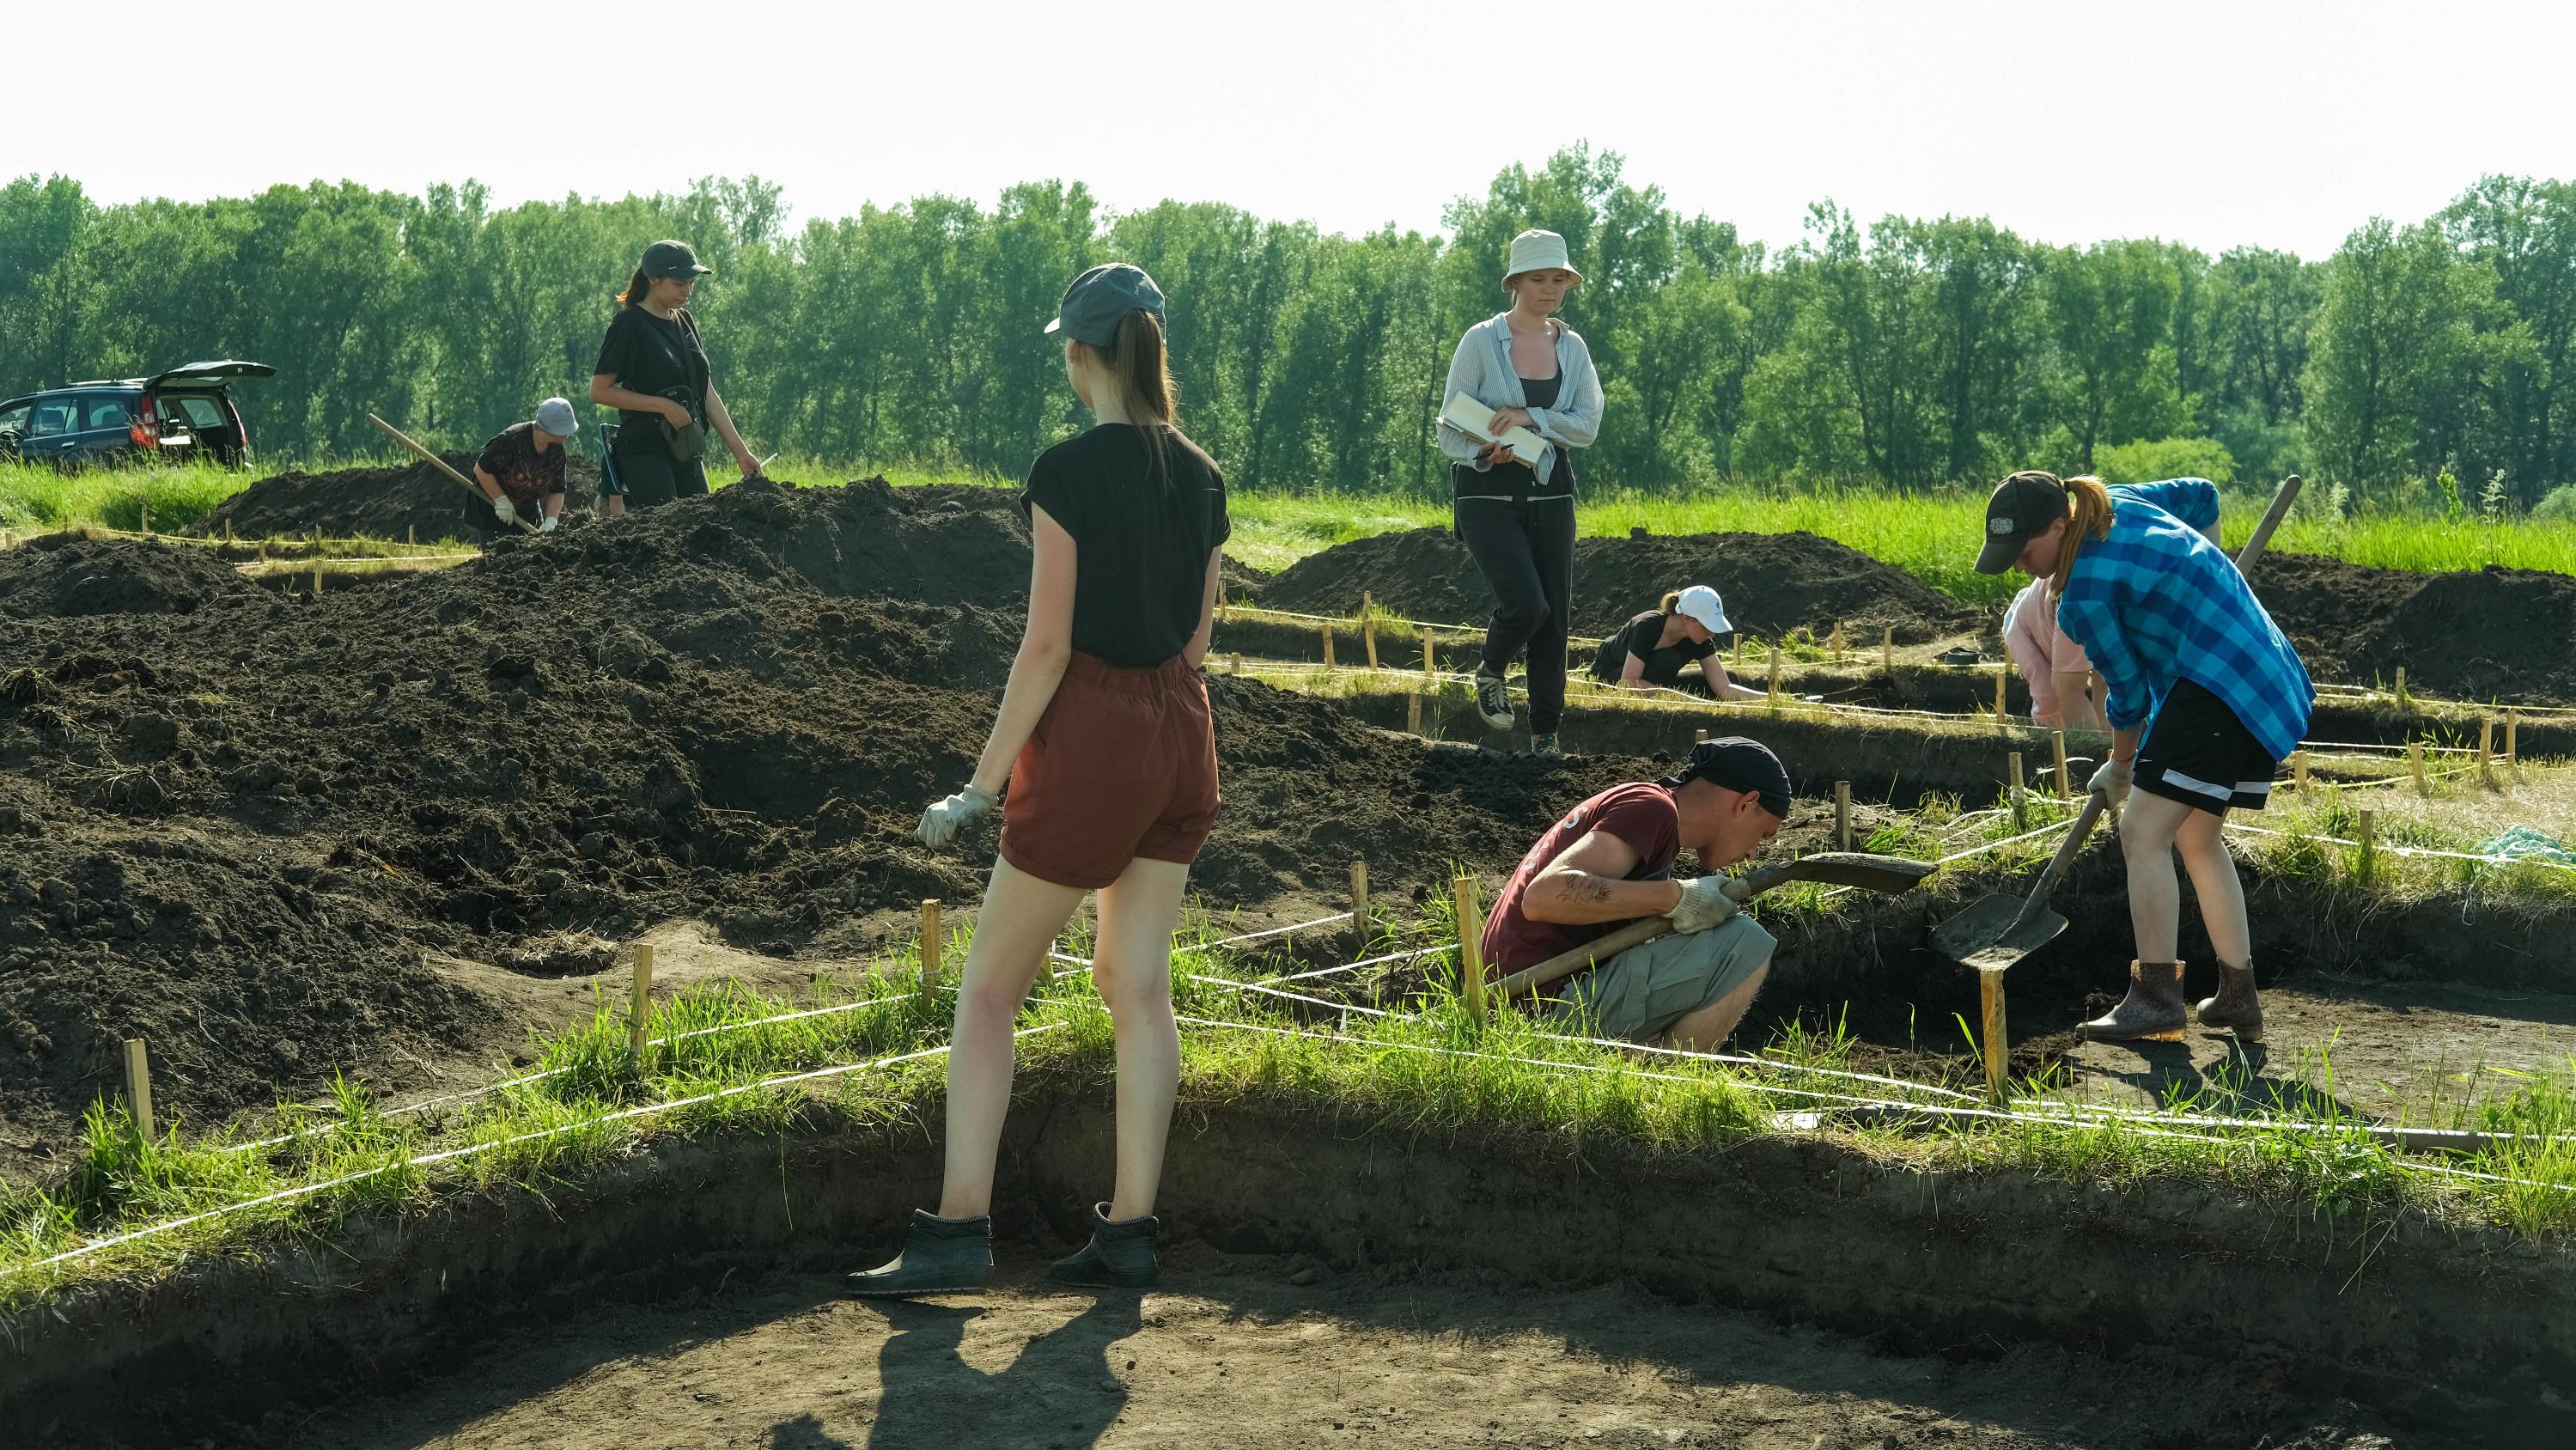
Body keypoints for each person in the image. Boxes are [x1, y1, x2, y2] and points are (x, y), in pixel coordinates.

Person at [849, 263, 1227, 1299]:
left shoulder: (1064, 472)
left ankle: (956, 1230)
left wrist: (979, 785)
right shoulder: (1203, 473)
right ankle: (1130, 1229)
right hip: (1182, 732)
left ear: (1079, 354)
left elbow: (1046, 647)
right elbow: (1196, 641)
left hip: (1098, 732)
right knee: (1135, 985)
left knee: (988, 990)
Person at [1974, 472, 2312, 1044]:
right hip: (2252, 666)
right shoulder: (2115, 501)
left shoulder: (2082, 595)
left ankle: (2156, 998)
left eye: (2024, 552)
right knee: (2195, 838)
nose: (2017, 568)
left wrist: (2121, 764)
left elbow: (2126, 696)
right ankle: (2237, 998)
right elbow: (2201, 494)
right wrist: (2205, 574)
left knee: (2140, 832)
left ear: (2058, 526)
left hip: (2212, 685)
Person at [1481, 737, 1791, 1049]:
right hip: (1538, 1008)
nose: (1753, 852)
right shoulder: (1652, 809)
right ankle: (1669, 1087)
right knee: (1745, 942)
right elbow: (1544, 896)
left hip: (1526, 1003)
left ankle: (1638, 1074)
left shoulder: (1649, 816)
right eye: (1764, 834)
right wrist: (1677, 897)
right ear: (1746, 802)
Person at [1437, 228, 1604, 759]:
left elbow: (1587, 424)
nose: (1549, 288)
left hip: (1550, 490)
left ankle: (1546, 736)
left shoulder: (1573, 349)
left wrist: (1534, 418)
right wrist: (1484, 451)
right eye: (1538, 278)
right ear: (1516, 283)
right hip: (1485, 491)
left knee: (1555, 616)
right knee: (1526, 604)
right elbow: (1448, 427)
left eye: (1559, 279)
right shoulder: (1479, 341)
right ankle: (1490, 670)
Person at [588, 240, 764, 512]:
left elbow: (706, 393)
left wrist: (741, 453)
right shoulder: (630, 323)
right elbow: (600, 391)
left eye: (692, 283)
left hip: (686, 449)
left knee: (702, 527)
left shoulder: (686, 321)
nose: (688, 292)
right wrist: (663, 406)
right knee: (666, 536)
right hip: (643, 450)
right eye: (680, 284)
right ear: (654, 278)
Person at [1587, 586, 1768, 700]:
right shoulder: (1647, 626)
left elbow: (1724, 687)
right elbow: (1628, 682)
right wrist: (1680, 698)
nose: (1711, 633)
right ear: (1688, 619)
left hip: (1656, 681)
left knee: (1731, 677)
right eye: (1707, 627)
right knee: (1668, 659)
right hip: (1611, 677)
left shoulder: (1700, 639)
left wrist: (1768, 698)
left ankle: (1659, 693)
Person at [2000, 576, 2107, 731]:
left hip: (2054, 611)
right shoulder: (2018, 634)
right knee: (2048, 693)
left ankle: (2106, 742)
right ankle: (2050, 737)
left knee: (2104, 681)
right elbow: (2066, 690)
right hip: (2024, 627)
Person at [468, 397, 576, 535]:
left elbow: (558, 488)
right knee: (497, 555)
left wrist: (551, 520)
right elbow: (481, 469)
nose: (567, 435)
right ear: (546, 429)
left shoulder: (557, 451)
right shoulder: (512, 440)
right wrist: (501, 500)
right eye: (563, 430)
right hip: (492, 504)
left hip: (527, 508)